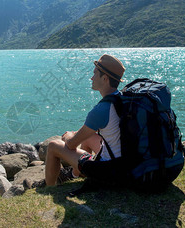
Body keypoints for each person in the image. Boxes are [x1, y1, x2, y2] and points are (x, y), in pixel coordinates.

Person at [45, 54, 126, 186]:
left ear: (105, 78)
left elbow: (71, 144)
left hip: (110, 171)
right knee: (88, 138)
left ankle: (49, 188)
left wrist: (68, 136)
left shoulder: (101, 109)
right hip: (128, 163)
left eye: (95, 74)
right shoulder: (123, 98)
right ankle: (74, 175)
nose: (91, 77)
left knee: (53, 146)